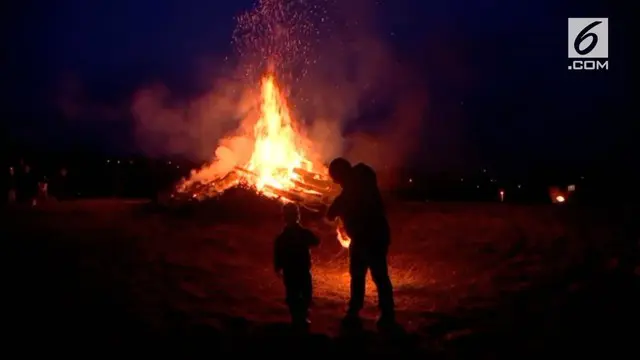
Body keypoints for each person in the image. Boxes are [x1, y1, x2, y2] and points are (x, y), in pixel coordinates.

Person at [326, 157, 396, 329]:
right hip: (369, 236)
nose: (337, 182)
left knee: (374, 275)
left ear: (342, 174)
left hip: (370, 236)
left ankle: (380, 313)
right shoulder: (360, 181)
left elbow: (337, 208)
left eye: (336, 178)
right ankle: (363, 311)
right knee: (364, 276)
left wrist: (334, 208)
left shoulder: (357, 185)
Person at [273, 203, 321, 329]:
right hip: (302, 269)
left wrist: (278, 267)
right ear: (297, 216)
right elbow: (316, 242)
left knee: (294, 294)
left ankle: (297, 318)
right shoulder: (302, 233)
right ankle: (301, 318)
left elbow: (278, 253)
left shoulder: (282, 237)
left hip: (291, 270)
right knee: (304, 293)